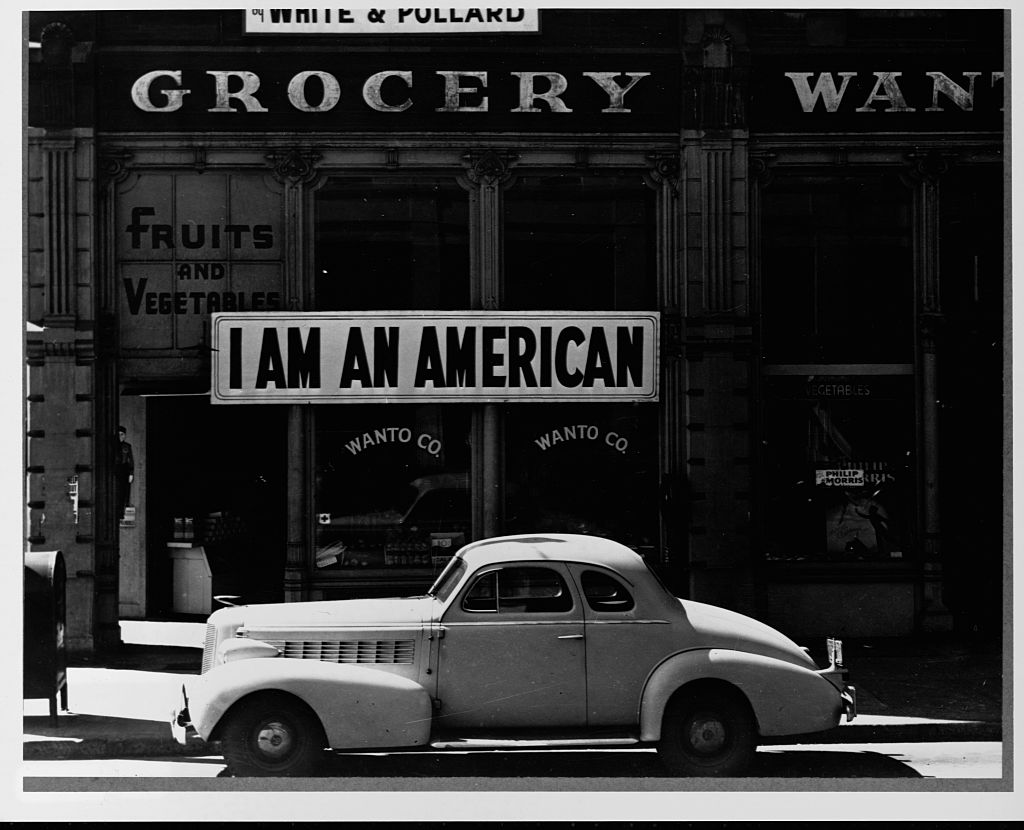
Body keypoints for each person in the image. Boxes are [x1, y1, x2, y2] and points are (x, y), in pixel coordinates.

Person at [116, 425, 134, 520]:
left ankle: (121, 513)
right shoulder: (113, 446)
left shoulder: (127, 446)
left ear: (125, 435)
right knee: (116, 493)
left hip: (124, 470)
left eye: (122, 434)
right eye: (118, 434)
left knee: (124, 493)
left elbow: (130, 460)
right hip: (115, 471)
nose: (120, 436)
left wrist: (131, 473)